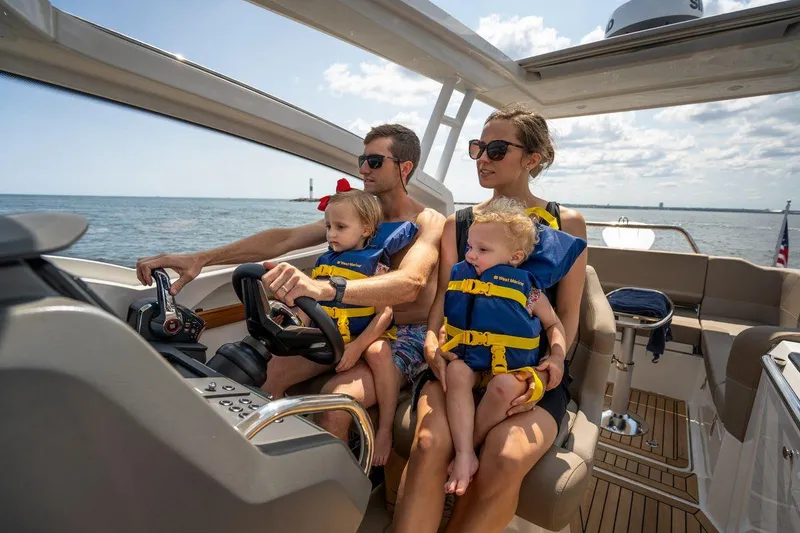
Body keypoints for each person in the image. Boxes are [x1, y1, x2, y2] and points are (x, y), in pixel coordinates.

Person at [136, 124, 446, 465]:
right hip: (344, 325)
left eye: (374, 161)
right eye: (362, 159)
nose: (362, 169)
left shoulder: (428, 220)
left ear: (404, 168)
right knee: (265, 377)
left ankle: (332, 503)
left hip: (400, 335)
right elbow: (283, 239)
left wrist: (324, 288)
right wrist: (203, 258)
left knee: (335, 403)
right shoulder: (358, 213)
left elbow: (411, 282)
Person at [392, 103, 588, 533]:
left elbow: (568, 313)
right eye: (478, 147)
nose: (482, 158)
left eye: (496, 149)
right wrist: (430, 340)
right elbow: (445, 295)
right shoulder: (457, 226)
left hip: (524, 370)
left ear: (532, 159)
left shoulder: (565, 223)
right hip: (458, 362)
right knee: (429, 442)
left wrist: (555, 363)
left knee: (506, 455)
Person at [441, 197, 571, 497]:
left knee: (502, 387)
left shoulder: (529, 291)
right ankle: (464, 453)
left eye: (483, 250)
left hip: (512, 369)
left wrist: (557, 356)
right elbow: (452, 317)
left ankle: (467, 449)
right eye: (470, 247)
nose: (471, 255)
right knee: (457, 373)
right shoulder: (462, 277)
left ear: (514, 258)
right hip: (471, 360)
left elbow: (554, 325)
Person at [305, 181, 418, 465]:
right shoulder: (323, 262)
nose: (331, 234)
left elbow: (385, 313)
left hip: (365, 336)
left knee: (378, 352)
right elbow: (310, 305)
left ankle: (384, 431)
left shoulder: (375, 265)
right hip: (330, 336)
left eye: (340, 227)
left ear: (366, 229)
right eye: (329, 227)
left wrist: (357, 347)